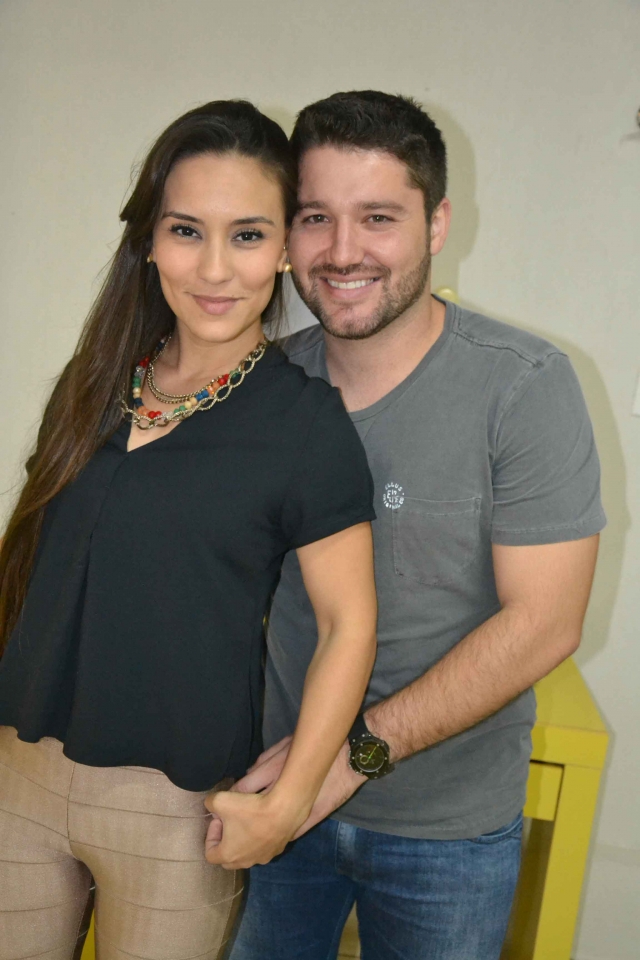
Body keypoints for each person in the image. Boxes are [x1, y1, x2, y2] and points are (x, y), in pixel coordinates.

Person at [224, 91, 606, 960]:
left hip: (447, 835)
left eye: (378, 217)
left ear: (436, 225)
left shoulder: (524, 386)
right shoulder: (262, 383)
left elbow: (546, 622)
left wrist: (343, 761)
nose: (342, 251)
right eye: (315, 217)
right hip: (270, 799)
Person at [0, 99, 378, 960]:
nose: (214, 268)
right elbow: (32, 566)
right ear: (148, 240)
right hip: (16, 774)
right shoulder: (95, 380)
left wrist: (290, 801)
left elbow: (349, 625)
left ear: (285, 248)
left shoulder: (305, 424)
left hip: (174, 809)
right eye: (185, 231)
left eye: (247, 235)